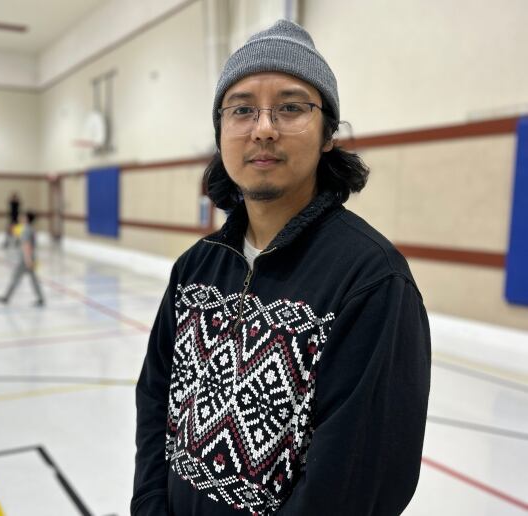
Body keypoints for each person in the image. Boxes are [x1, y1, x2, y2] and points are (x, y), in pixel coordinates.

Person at [132, 20, 431, 516]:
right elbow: (153, 405)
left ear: (329, 133)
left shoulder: (371, 281)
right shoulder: (194, 269)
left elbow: (358, 482)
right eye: (242, 109)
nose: (264, 128)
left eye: (291, 108)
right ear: (221, 130)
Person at [0, 211, 44, 307]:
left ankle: (6, 297)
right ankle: (40, 298)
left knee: (15, 278)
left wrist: (27, 259)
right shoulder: (30, 229)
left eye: (23, 216)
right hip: (30, 257)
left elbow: (27, 245)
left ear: (27, 219)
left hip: (25, 259)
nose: (21, 217)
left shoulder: (26, 230)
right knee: (34, 279)